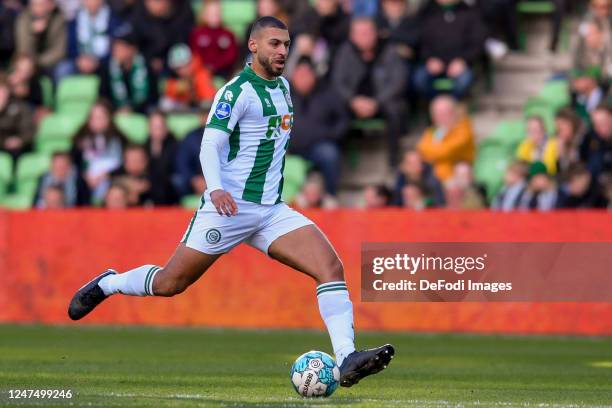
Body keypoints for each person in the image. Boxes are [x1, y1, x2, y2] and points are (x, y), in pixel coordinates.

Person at [68, 16, 395, 387]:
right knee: (170, 283)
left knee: (330, 268)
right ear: (253, 46)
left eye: (286, 44)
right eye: (274, 43)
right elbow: (211, 143)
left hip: (271, 211)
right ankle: (109, 283)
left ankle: (347, 357)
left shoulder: (284, 87)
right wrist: (216, 187)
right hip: (228, 209)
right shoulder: (235, 92)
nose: (282, 51)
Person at [331, 17, 408, 166]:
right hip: (354, 102)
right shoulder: (345, 52)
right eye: (359, 33)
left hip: (382, 101)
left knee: (396, 110)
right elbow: (337, 82)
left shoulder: (389, 49)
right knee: (335, 111)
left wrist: (377, 102)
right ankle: (343, 161)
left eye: (367, 32)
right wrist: (352, 100)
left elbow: (399, 81)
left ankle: (394, 160)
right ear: (352, 36)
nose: (364, 37)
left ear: (376, 33)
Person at [288, 56, 350, 197]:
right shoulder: (281, 94)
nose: (303, 79)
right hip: (288, 147)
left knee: (330, 154)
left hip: (318, 146)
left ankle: (330, 195)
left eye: (306, 74)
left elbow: (343, 120)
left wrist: (329, 135)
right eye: (299, 74)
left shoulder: (328, 93)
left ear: (313, 75)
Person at [413, 0, 486, 100]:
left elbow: (477, 42)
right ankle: (437, 107)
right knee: (419, 80)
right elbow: (419, 41)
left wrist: (463, 60)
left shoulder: (470, 13)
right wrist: (429, 59)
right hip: (432, 64)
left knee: (464, 80)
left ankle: (450, 107)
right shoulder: (426, 13)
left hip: (460, 64)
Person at [71, 99, 126, 202]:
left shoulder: (119, 139)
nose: (97, 121)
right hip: (85, 183)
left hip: (112, 180)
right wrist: (85, 176)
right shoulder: (79, 139)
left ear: (109, 118)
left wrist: (106, 175)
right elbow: (74, 163)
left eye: (101, 117)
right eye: (94, 118)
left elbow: (125, 165)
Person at [55, 0, 124, 81]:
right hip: (79, 61)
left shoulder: (113, 19)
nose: (91, 2)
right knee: (63, 69)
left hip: (104, 61)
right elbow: (70, 46)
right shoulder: (74, 20)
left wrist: (98, 62)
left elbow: (117, 46)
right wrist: (79, 60)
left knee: (115, 67)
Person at [100, 23, 158, 113]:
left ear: (133, 49)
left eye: (121, 47)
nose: (116, 50)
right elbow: (103, 96)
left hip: (141, 113)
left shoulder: (146, 67)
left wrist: (132, 109)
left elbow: (152, 97)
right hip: (115, 114)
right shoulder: (107, 68)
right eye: (115, 46)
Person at [416, 95, 476, 182]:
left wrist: (433, 152)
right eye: (437, 114)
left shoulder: (464, 128)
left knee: (462, 169)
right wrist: (437, 152)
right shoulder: (434, 130)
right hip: (438, 173)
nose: (441, 118)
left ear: (455, 112)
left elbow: (447, 150)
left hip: (458, 172)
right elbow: (421, 148)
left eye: (445, 113)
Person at [159, 43, 216, 112]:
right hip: (183, 108)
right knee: (165, 103)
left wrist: (194, 90)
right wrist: (178, 88)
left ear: (191, 62)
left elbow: (208, 99)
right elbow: (167, 91)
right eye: (178, 68)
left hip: (201, 110)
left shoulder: (202, 74)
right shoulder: (172, 76)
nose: (181, 71)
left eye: (184, 65)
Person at [190, 0, 239, 79]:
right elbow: (196, 53)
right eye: (211, 14)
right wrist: (206, 67)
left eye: (217, 13)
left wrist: (215, 66)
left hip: (224, 71)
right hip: (202, 71)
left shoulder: (228, 34)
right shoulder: (197, 34)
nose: (215, 16)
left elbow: (231, 55)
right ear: (204, 15)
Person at [14, 0, 67, 74]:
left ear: (51, 5)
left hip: (50, 64)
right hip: (28, 63)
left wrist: (38, 62)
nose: (36, 8)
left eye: (40, 4)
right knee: (23, 67)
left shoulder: (59, 19)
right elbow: (24, 50)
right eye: (33, 5)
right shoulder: (24, 19)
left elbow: (59, 52)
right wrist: (33, 34)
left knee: (63, 68)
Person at [145, 110, 179, 205]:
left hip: (168, 185)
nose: (157, 131)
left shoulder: (174, 145)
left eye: (160, 127)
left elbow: (169, 169)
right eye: (154, 127)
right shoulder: (145, 145)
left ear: (166, 128)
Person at [0, 75, 34, 166]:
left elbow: (29, 129)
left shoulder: (20, 107)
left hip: (18, 149)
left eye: (2, 90)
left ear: (8, 91)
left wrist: (20, 140)